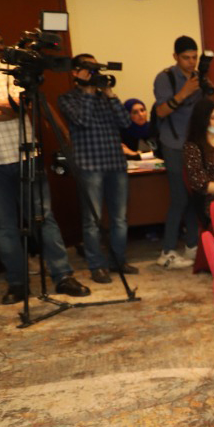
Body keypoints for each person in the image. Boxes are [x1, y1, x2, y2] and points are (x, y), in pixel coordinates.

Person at [0, 29, 89, 303]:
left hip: (27, 156)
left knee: (43, 218)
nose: (0, 48)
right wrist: (6, 107)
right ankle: (17, 284)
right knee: (3, 227)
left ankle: (63, 276)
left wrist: (9, 107)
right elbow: (10, 107)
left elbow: (20, 105)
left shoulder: (14, 68)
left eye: (0, 42)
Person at [58, 53, 135, 284]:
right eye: (88, 69)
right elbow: (82, 120)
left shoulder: (105, 97)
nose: (93, 73)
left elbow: (126, 123)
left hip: (116, 163)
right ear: (75, 73)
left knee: (120, 218)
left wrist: (110, 94)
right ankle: (96, 266)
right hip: (89, 166)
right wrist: (89, 92)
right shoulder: (67, 98)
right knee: (92, 220)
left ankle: (118, 261)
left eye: (95, 68)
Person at [151, 35, 206, 269]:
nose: (191, 62)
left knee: (194, 196)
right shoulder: (165, 78)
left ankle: (192, 245)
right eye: (186, 58)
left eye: (194, 57)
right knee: (179, 198)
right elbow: (161, 111)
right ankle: (167, 251)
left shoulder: (199, 77)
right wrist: (185, 92)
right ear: (175, 57)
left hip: (194, 143)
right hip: (173, 144)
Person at [181, 98, 214, 229]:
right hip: (211, 200)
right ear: (202, 120)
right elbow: (200, 184)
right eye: (213, 118)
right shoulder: (193, 146)